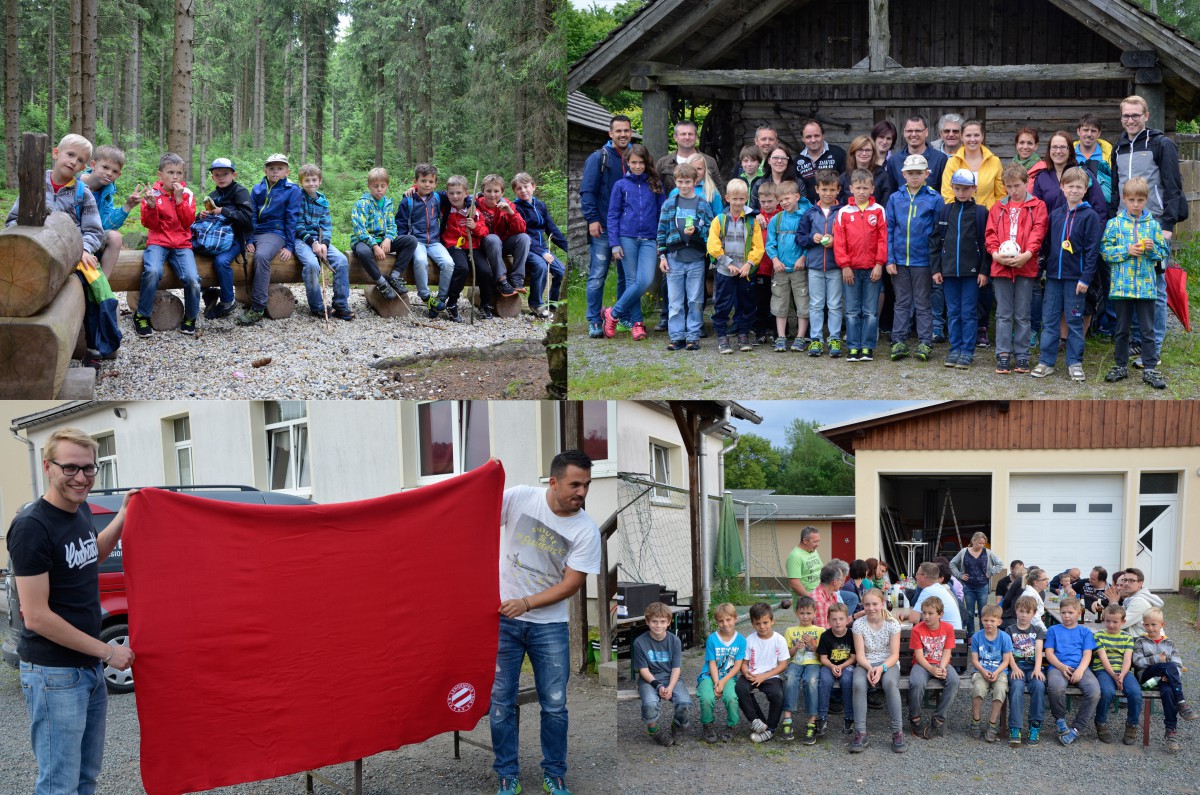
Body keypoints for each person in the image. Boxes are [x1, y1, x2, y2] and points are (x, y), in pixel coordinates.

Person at [7, 427, 136, 795]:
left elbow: (88, 555)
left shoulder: (78, 511)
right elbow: (37, 616)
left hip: (87, 669)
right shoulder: (33, 526)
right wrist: (109, 651)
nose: (81, 478)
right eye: (70, 468)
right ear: (48, 467)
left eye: (89, 469)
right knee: (59, 783)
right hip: (54, 675)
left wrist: (125, 513)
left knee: (84, 776)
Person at [494, 450, 601, 795]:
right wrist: (485, 477)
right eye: (575, 484)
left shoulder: (586, 530)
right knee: (501, 700)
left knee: (554, 704)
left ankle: (554, 774)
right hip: (502, 622)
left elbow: (571, 585)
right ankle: (507, 773)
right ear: (553, 482)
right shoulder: (521, 498)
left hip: (549, 627)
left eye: (586, 485)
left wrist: (524, 603)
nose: (582, 492)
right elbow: (475, 516)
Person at [5, 134, 118, 364]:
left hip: (72, 257)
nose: (73, 162)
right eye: (70, 155)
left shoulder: (82, 193)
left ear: (84, 166)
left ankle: (94, 348)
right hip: (35, 255)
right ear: (56, 153)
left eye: (80, 160)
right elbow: (12, 220)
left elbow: (94, 231)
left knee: (92, 290)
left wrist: (84, 250)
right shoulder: (34, 183)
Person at [1110, 95, 1187, 369]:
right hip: (1124, 225)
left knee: (1154, 287)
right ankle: (1136, 341)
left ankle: (1152, 349)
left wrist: (1167, 227)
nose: (1130, 120)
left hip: (1152, 226)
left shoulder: (1161, 144)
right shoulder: (1118, 147)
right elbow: (1116, 188)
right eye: (1125, 116)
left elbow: (1173, 186)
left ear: (1146, 115)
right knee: (1129, 285)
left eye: (1135, 115)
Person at [1032, 167, 1103, 381]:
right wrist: (1043, 267)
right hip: (1053, 278)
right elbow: (1047, 245)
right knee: (1050, 320)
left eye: (1078, 187)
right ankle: (1046, 361)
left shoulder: (1090, 216)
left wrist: (1086, 278)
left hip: (1076, 280)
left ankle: (1075, 363)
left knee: (1074, 321)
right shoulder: (1056, 214)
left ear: (1085, 190)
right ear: (1062, 188)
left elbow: (1092, 251)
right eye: (1070, 186)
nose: (1074, 190)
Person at [1102, 176, 1170, 388]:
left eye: (1140, 200)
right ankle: (1120, 365)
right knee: (1122, 329)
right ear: (1124, 199)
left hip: (1146, 288)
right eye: (1131, 200)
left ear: (1146, 200)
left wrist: (1152, 250)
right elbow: (1104, 251)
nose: (1136, 204)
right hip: (1122, 287)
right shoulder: (1114, 224)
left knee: (1147, 330)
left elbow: (1162, 253)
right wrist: (1126, 250)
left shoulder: (1153, 226)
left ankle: (1150, 368)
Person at [987, 164, 1048, 375]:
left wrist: (1027, 255)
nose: (1013, 190)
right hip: (1000, 265)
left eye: (1017, 186)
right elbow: (991, 234)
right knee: (1003, 313)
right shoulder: (997, 207)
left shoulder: (1037, 206)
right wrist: (995, 254)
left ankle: (1022, 354)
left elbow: (1038, 232)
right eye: (1009, 186)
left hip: (1026, 264)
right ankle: (1003, 354)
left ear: (1026, 183)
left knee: (1023, 313)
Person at [604, 144, 666, 342]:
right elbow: (612, 215)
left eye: (641, 162)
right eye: (633, 163)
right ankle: (637, 324)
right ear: (627, 163)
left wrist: (660, 239)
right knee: (632, 281)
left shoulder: (655, 184)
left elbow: (661, 214)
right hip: (626, 238)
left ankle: (613, 313)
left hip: (649, 239)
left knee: (644, 281)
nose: (637, 166)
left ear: (647, 163)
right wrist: (614, 243)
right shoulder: (620, 186)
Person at [136, 152, 201, 337]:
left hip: (182, 244)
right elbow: (150, 225)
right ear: (160, 175)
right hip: (158, 241)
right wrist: (150, 207)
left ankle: (190, 317)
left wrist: (179, 200)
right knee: (153, 272)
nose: (175, 177)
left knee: (193, 280)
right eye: (170, 172)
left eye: (179, 173)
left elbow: (188, 222)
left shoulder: (187, 194)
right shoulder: (153, 194)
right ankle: (142, 315)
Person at [931, 169, 990, 369]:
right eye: (958, 188)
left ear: (974, 189)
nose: (962, 192)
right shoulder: (945, 211)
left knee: (969, 312)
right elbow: (936, 242)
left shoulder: (981, 212)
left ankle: (967, 351)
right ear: (952, 188)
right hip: (948, 272)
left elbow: (985, 244)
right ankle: (954, 349)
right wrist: (936, 269)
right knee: (953, 312)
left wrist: (984, 270)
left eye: (966, 188)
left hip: (972, 273)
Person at [886, 154, 943, 363]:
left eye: (919, 173)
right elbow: (890, 229)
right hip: (900, 261)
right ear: (903, 174)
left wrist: (935, 262)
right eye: (911, 173)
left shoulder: (934, 198)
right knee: (901, 302)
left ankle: (925, 341)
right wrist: (889, 258)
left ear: (927, 174)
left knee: (923, 303)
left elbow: (938, 232)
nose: (915, 177)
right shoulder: (895, 198)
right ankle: (899, 340)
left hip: (923, 261)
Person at [581, 115, 632, 338]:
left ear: (631, 132)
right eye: (618, 131)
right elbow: (587, 191)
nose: (623, 134)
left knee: (625, 275)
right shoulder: (598, 158)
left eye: (626, 130)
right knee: (597, 274)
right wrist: (592, 219)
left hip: (628, 228)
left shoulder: (635, 157)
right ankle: (594, 319)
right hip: (602, 227)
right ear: (610, 134)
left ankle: (620, 317)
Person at [238, 153, 302, 326]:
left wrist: (289, 245)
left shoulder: (292, 190)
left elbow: (292, 219)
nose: (275, 172)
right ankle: (227, 300)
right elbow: (251, 216)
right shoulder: (257, 189)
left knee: (261, 256)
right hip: (257, 231)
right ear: (265, 170)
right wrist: (249, 239)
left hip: (276, 232)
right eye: (272, 168)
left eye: (280, 169)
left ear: (287, 171)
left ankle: (258, 307)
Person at [657, 163, 714, 351]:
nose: (683, 185)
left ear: (694, 182)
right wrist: (662, 256)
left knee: (695, 300)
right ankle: (676, 336)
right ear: (675, 181)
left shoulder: (702, 203)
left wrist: (698, 228)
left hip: (696, 258)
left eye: (687, 182)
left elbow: (711, 229)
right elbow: (662, 231)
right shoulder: (669, 204)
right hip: (674, 258)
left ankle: (693, 335)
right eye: (680, 182)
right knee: (675, 301)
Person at [834, 168, 887, 363]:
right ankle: (853, 347)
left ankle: (867, 347)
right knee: (852, 310)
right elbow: (839, 242)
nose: (862, 191)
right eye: (858, 187)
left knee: (870, 311)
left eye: (866, 187)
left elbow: (883, 240)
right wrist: (845, 265)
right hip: (851, 270)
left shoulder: (879, 211)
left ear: (872, 188)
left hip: (872, 269)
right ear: (851, 189)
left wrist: (879, 264)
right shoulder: (843, 213)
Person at [706, 178, 763, 354]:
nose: (738, 202)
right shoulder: (720, 220)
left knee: (746, 304)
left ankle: (743, 333)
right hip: (725, 271)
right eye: (734, 198)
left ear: (746, 198)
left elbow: (758, 246)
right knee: (723, 304)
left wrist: (749, 263)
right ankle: (722, 336)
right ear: (727, 198)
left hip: (745, 272)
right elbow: (713, 245)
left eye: (741, 199)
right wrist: (727, 262)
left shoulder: (752, 221)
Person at [1132, 607, 1199, 752]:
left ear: (1162, 625)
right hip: (1147, 680)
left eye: (1154, 624)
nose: (1150, 628)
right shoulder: (1140, 642)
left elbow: (1178, 667)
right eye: (1147, 624)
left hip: (1164, 680)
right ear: (1143, 625)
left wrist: (1168, 677)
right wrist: (1157, 659)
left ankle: (1171, 732)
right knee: (1167, 665)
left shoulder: (1169, 644)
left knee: (1168, 690)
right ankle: (1182, 703)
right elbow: (1137, 662)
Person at [294, 162, 354, 321]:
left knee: (341, 260)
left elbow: (326, 225)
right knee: (312, 264)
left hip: (320, 241)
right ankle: (317, 306)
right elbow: (297, 225)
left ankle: (341, 304)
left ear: (320, 181)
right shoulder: (298, 198)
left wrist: (324, 244)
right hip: (302, 240)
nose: (311, 183)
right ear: (302, 182)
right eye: (307, 180)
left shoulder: (322, 200)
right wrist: (313, 243)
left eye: (314, 180)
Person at [395, 164, 456, 314]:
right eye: (423, 181)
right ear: (416, 182)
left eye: (430, 181)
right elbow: (401, 223)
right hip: (416, 241)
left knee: (449, 263)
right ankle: (426, 296)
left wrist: (478, 196)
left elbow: (458, 194)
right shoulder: (408, 201)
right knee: (421, 261)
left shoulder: (437, 197)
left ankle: (440, 300)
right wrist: (403, 244)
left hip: (435, 241)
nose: (427, 185)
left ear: (435, 183)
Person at [849, 588, 905, 754]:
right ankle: (860, 732)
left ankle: (897, 731)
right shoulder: (859, 624)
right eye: (867, 604)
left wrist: (881, 668)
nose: (871, 608)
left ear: (882, 604)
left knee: (889, 683)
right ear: (863, 606)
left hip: (888, 663)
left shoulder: (892, 624)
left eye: (875, 604)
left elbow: (894, 654)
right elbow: (860, 655)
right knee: (858, 683)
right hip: (866, 662)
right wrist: (870, 668)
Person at [199, 158, 255, 320]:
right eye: (217, 175)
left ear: (234, 175)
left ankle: (227, 302)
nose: (221, 177)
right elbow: (209, 221)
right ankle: (208, 292)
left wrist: (224, 211)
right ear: (212, 177)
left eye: (225, 174)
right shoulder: (213, 195)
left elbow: (247, 218)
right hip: (214, 238)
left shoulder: (240, 192)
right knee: (195, 256)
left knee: (221, 261)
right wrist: (201, 216)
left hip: (235, 239)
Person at [799, 169, 844, 357]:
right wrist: (812, 238)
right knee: (816, 304)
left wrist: (836, 241)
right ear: (817, 189)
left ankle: (834, 337)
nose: (828, 193)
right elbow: (800, 238)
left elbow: (849, 237)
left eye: (832, 190)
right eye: (824, 189)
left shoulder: (842, 212)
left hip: (835, 267)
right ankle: (816, 339)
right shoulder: (810, 213)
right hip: (815, 267)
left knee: (834, 305)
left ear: (838, 190)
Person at [1044, 596, 1100, 745]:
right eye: (1063, 613)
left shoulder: (1085, 632)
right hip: (1057, 666)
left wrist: (1080, 671)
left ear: (1078, 614)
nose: (1066, 616)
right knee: (1055, 687)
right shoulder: (1053, 630)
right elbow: (1049, 653)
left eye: (1070, 612)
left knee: (1094, 691)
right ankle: (1060, 720)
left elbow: (1087, 654)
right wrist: (1061, 667)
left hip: (1080, 667)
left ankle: (1076, 728)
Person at [511, 172, 568, 319]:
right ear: (515, 191)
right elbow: (523, 233)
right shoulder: (516, 208)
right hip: (527, 248)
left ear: (533, 187)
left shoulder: (540, 205)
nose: (523, 190)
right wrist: (542, 253)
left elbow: (552, 229)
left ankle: (552, 305)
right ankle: (536, 304)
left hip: (543, 247)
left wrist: (568, 247)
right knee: (541, 266)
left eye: (526, 186)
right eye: (519, 188)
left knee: (561, 271)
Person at [79, 144, 138, 284]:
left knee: (115, 237)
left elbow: (105, 224)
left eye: (115, 171)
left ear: (119, 174)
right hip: (72, 234)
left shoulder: (106, 193)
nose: (109, 173)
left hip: (91, 236)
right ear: (93, 164)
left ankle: (101, 285)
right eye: (105, 167)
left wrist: (127, 206)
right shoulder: (75, 183)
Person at [634, 601, 690, 747]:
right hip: (649, 680)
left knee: (684, 703)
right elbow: (643, 670)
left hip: (671, 678)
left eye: (662, 621)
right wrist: (658, 686)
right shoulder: (639, 642)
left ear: (669, 623)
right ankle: (654, 730)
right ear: (647, 622)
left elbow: (676, 668)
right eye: (654, 621)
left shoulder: (675, 641)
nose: (658, 625)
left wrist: (670, 687)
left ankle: (678, 726)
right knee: (650, 703)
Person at [766, 179, 813, 352]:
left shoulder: (806, 217)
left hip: (799, 270)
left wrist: (803, 258)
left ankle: (800, 337)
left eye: (788, 198)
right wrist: (775, 260)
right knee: (779, 302)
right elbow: (770, 244)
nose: (785, 202)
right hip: (780, 270)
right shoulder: (776, 220)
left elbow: (810, 241)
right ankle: (781, 337)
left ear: (797, 196)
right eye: (781, 200)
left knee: (803, 302)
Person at [350, 168, 411, 301]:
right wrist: (374, 245)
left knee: (411, 241)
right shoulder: (362, 204)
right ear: (369, 186)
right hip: (364, 241)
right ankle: (381, 282)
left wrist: (388, 238)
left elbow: (392, 225)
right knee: (363, 251)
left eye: (382, 186)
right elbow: (359, 229)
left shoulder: (387, 203)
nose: (379, 189)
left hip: (383, 240)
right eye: (375, 186)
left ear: (387, 186)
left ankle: (394, 276)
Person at [435, 175, 490, 322]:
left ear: (466, 193)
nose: (455, 196)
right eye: (451, 193)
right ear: (447, 194)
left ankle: (485, 304)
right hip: (453, 245)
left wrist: (475, 226)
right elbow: (428, 192)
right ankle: (452, 302)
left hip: (473, 245)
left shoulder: (474, 209)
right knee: (461, 268)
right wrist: (414, 188)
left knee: (485, 271)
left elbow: (484, 231)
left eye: (459, 193)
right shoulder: (446, 209)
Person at [736, 602, 789, 743]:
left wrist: (764, 676)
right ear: (753, 624)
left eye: (765, 622)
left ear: (772, 621)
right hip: (752, 674)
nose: (762, 626)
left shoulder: (779, 640)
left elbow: (783, 665)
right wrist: (746, 672)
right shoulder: (749, 640)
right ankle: (756, 721)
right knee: (740, 688)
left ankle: (770, 729)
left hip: (771, 675)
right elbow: (744, 663)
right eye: (758, 623)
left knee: (778, 695)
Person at [907, 595, 959, 740]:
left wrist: (941, 668)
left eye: (930, 613)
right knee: (916, 683)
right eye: (924, 613)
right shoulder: (917, 629)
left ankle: (938, 719)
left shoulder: (948, 628)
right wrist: (931, 669)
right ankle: (915, 718)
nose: (926, 616)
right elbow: (918, 656)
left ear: (940, 614)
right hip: (922, 664)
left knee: (954, 681)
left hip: (941, 662)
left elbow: (947, 650)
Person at [475, 174, 531, 303]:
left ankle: (517, 278)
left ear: (502, 192)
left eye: (496, 191)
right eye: (488, 191)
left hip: (502, 245)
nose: (492, 195)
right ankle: (501, 279)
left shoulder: (507, 205)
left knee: (524, 238)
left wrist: (510, 213)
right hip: (484, 245)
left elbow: (521, 229)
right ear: (483, 191)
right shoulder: (476, 205)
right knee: (493, 238)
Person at [1092, 603, 1142, 746]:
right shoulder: (1098, 636)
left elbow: (1127, 659)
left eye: (1115, 622)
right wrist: (1114, 675)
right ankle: (1100, 722)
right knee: (1107, 692)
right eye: (1108, 621)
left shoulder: (1127, 638)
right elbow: (1103, 658)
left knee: (1135, 693)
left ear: (1123, 622)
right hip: (1103, 669)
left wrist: (1121, 675)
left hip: (1123, 671)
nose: (1111, 625)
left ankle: (1131, 725)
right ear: (1103, 619)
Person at [696, 602, 745, 743]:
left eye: (728, 619)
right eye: (721, 621)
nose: (725, 624)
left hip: (729, 677)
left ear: (735, 618)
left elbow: (737, 666)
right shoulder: (712, 638)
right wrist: (717, 682)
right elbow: (711, 663)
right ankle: (708, 724)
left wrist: (723, 682)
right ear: (717, 622)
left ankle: (732, 725)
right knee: (706, 697)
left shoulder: (741, 640)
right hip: (709, 675)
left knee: (731, 698)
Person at [1004, 594, 1047, 746]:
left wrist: (1037, 669)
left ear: (1034, 613)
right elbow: (1008, 652)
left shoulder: (1037, 631)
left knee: (1039, 686)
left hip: (1032, 667)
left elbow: (1039, 651)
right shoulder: (1009, 630)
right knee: (1016, 687)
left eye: (1027, 612)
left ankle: (1035, 726)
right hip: (1017, 667)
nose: (1024, 615)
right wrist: (1014, 667)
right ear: (1016, 611)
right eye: (1021, 611)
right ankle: (1015, 727)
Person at [780, 596, 824, 744]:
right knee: (789, 678)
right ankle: (787, 719)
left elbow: (821, 654)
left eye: (808, 613)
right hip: (796, 662)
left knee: (811, 681)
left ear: (814, 614)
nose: (805, 617)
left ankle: (812, 720)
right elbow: (787, 655)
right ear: (796, 613)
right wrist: (795, 648)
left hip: (813, 662)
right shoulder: (790, 630)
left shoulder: (820, 631)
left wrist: (812, 645)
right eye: (802, 613)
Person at [968, 604, 1013, 742]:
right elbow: (974, 660)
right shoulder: (977, 637)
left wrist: (997, 672)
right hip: (981, 670)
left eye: (992, 621)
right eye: (986, 620)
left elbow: (1006, 660)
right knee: (978, 688)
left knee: (1000, 689)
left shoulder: (1004, 637)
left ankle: (992, 723)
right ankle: (976, 719)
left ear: (999, 622)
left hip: (999, 671)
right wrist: (983, 670)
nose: (989, 623)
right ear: (981, 620)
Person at [949, 532, 1005, 636]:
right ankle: (971, 635)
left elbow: (1000, 564)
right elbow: (952, 563)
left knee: (983, 612)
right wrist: (959, 575)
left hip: (982, 586)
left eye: (983, 543)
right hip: (968, 586)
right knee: (969, 612)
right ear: (973, 541)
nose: (981, 545)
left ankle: (983, 634)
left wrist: (990, 573)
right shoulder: (963, 552)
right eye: (979, 543)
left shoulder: (987, 553)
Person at [940, 120, 1006, 210]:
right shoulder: (952, 162)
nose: (972, 139)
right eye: (968, 135)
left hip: (989, 217)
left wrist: (996, 215)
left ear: (982, 136)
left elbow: (1001, 195)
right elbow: (948, 195)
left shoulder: (994, 161)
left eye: (976, 135)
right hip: (961, 216)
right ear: (961, 137)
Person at [817, 602, 858, 736]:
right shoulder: (825, 636)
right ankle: (822, 716)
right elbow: (823, 658)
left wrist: (841, 666)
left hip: (846, 665)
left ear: (847, 620)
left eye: (841, 619)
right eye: (834, 619)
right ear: (829, 620)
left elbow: (853, 657)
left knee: (847, 680)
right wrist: (833, 666)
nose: (838, 622)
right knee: (824, 681)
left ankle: (849, 717)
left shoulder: (852, 634)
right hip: (829, 665)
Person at [886, 116, 949, 195]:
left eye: (918, 131)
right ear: (904, 132)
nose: (913, 134)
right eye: (909, 131)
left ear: (926, 132)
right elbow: (891, 194)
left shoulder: (940, 159)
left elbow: (944, 193)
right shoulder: (894, 161)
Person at [751, 183, 782, 344]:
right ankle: (760, 331)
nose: (767, 205)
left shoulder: (783, 215)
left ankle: (778, 331)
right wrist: (756, 213)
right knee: (761, 301)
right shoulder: (756, 217)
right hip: (761, 267)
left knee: (778, 300)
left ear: (778, 200)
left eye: (770, 201)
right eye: (763, 202)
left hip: (779, 267)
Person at [657, 119, 719, 197]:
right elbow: (656, 191)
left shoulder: (709, 162)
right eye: (683, 134)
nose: (687, 137)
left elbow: (718, 189)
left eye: (690, 134)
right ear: (675, 137)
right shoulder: (663, 163)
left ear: (696, 137)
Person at [794, 119, 846, 205]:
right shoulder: (798, 161)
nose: (813, 140)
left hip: (836, 209)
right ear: (802, 139)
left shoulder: (838, 153)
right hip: (810, 212)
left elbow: (846, 183)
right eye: (808, 137)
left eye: (816, 135)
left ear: (823, 135)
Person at [902, 562, 963, 630]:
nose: (915, 577)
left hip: (949, 637)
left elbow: (914, 619)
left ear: (924, 577)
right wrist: (906, 616)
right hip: (953, 635)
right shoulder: (938, 588)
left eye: (917, 574)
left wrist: (908, 616)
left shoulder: (928, 591)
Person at [839, 136, 896, 208]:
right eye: (860, 150)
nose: (864, 153)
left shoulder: (882, 176)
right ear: (853, 152)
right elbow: (839, 204)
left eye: (868, 150)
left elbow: (886, 203)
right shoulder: (844, 177)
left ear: (873, 153)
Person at [1075, 113, 1114, 207]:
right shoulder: (1069, 154)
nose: (1089, 134)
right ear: (1078, 131)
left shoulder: (1109, 154)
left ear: (1099, 133)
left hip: (1103, 209)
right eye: (1085, 130)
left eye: (1093, 131)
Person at [1113, 567, 1164, 637]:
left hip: (1148, 643)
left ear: (1140, 583)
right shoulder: (1129, 599)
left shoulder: (1139, 601)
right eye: (1125, 580)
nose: (1126, 583)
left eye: (1131, 580)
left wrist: (1113, 603)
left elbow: (1119, 624)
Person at [785, 526, 823, 600]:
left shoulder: (814, 551)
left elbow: (820, 569)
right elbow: (794, 583)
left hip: (819, 593)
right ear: (805, 541)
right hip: (806, 601)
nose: (818, 544)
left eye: (819, 541)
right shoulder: (795, 556)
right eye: (815, 541)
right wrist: (810, 599)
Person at [736, 145, 766, 210]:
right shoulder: (737, 182)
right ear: (741, 163)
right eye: (746, 161)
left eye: (753, 160)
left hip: (759, 216)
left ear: (759, 162)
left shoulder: (764, 180)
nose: (749, 164)